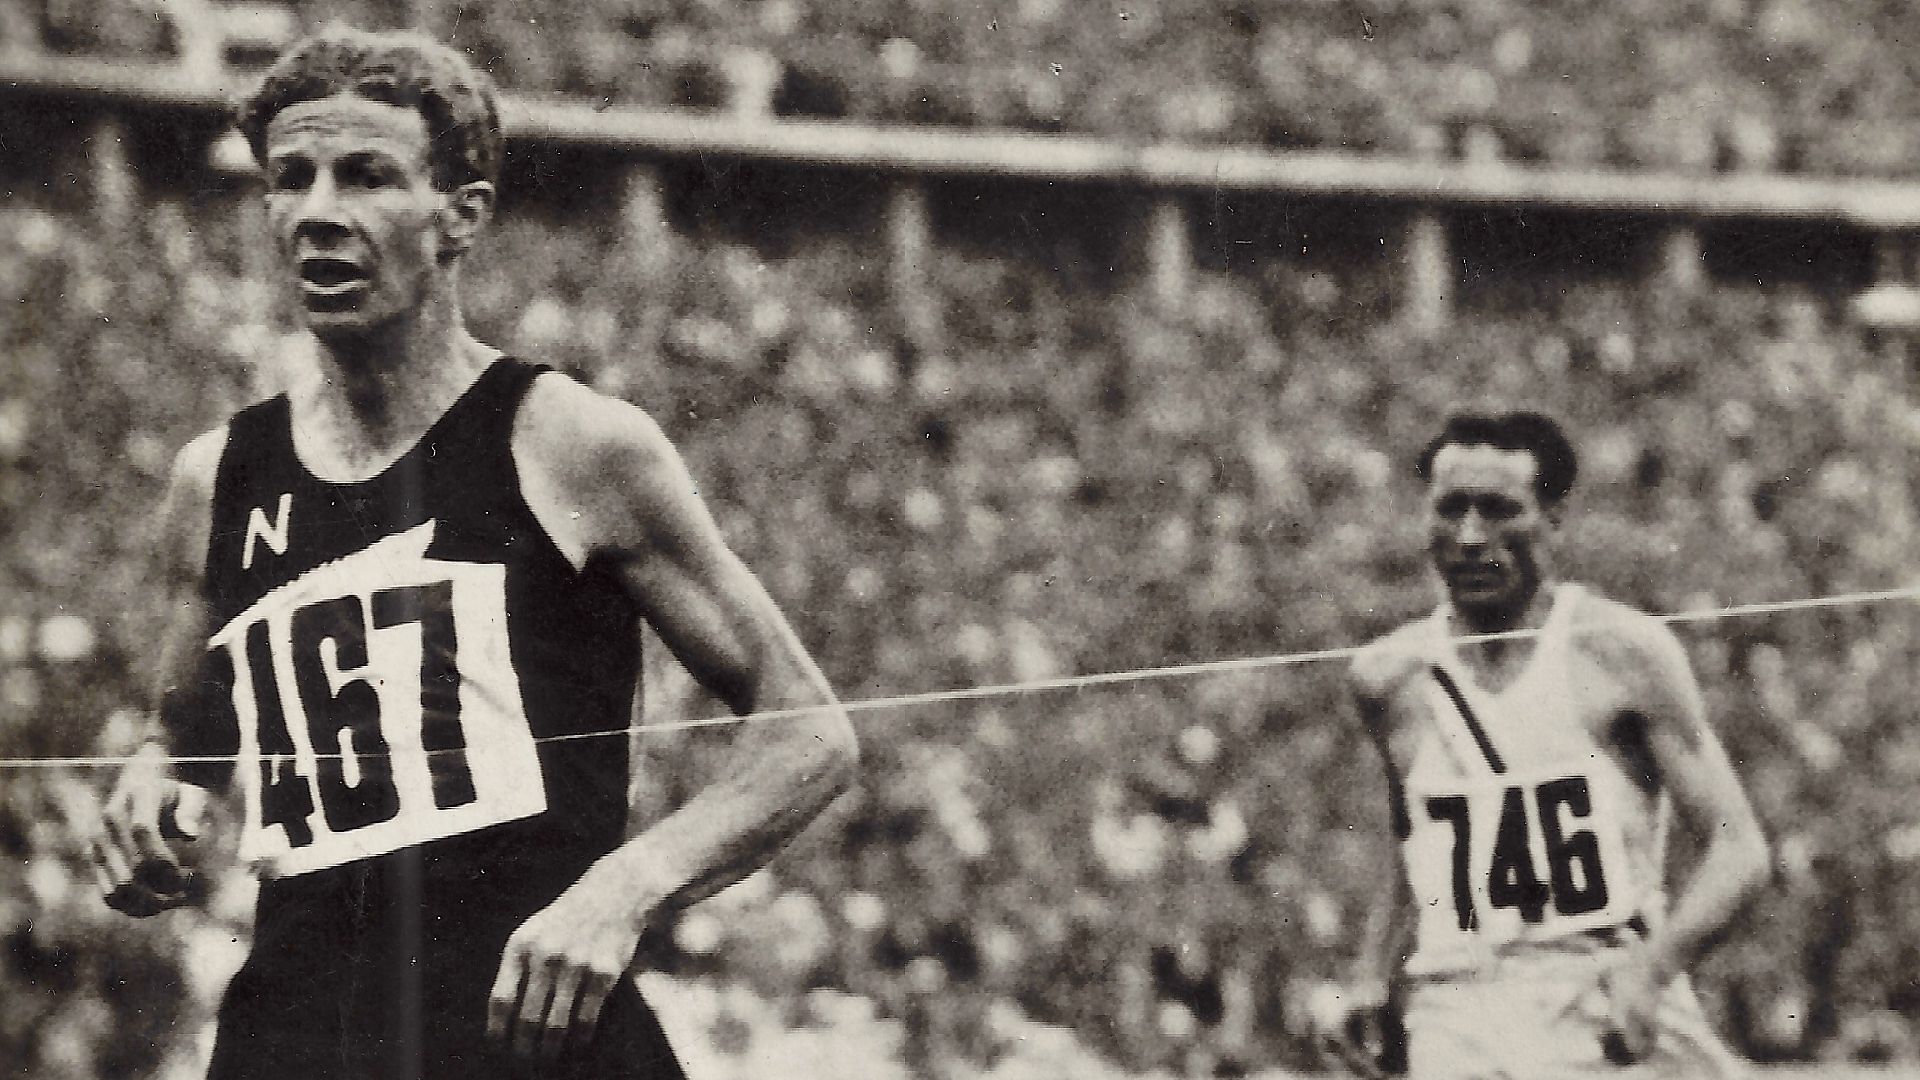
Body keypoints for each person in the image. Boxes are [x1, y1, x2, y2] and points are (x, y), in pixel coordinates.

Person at [90, 26, 858, 1080]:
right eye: (291, 179)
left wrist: (620, 892)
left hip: (524, 1030)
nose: (319, 213)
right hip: (299, 1035)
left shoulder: (568, 443)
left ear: (461, 215)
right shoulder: (217, 476)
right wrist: (146, 792)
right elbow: (181, 740)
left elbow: (808, 732)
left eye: (366, 176)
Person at [1328, 411, 1769, 1079]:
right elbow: (1413, 845)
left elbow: (1739, 849)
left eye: (1500, 510)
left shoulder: (1620, 653)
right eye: (1450, 510)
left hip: (1599, 982)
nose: (1471, 537)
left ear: (1553, 520)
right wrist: (1369, 974)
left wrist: (1653, 970)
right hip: (1459, 1005)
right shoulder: (1388, 676)